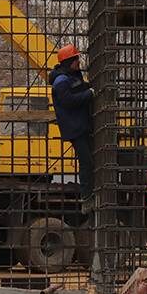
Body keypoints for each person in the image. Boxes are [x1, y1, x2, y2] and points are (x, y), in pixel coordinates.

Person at [50, 43, 95, 201]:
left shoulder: (72, 76)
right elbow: (68, 101)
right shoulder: (61, 81)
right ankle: (87, 196)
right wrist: (89, 94)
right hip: (75, 128)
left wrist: (88, 88)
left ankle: (89, 192)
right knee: (86, 162)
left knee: (90, 160)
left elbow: (79, 88)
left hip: (81, 125)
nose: (79, 62)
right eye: (76, 59)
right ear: (70, 61)